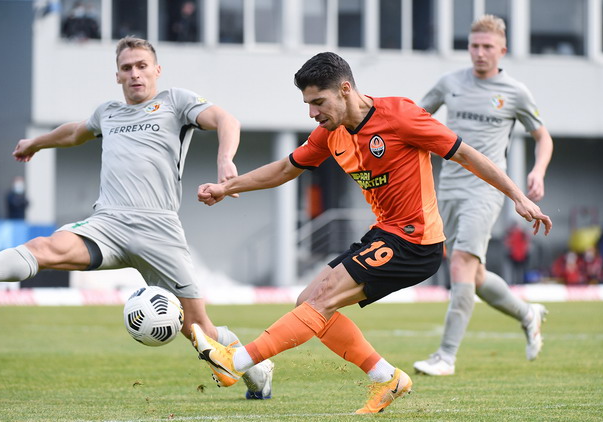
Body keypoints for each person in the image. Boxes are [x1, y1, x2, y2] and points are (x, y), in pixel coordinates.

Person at [188, 52, 551, 414]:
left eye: (318, 102)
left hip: (415, 241)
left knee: (321, 299)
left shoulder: (401, 115)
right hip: (384, 235)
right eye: (308, 104)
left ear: (345, 89)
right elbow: (285, 169)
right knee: (308, 301)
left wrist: (518, 197)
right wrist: (227, 187)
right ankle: (387, 378)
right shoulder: (329, 134)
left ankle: (236, 362)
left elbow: (467, 155)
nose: (312, 113)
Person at [0, 36, 273, 400]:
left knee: (197, 328)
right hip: (107, 224)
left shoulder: (175, 102)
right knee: (46, 247)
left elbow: (226, 119)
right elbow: (73, 132)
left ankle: (258, 372)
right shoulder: (107, 113)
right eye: (127, 68)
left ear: (157, 70)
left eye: (142, 66)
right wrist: (36, 143)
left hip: (159, 229)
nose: (135, 74)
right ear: (117, 75)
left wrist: (225, 160)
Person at [413, 15, 555, 377]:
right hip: (448, 188)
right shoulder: (449, 83)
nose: (480, 52)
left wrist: (537, 171)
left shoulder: (515, 92)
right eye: (474, 46)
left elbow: (543, 137)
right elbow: (414, 121)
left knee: (461, 262)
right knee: (473, 275)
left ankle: (445, 356)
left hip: (487, 189)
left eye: (487, 47)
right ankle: (527, 313)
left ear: (502, 50)